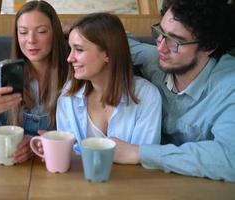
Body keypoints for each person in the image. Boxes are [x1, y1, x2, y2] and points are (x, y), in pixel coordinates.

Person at [116, 0, 235, 182]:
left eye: (175, 40)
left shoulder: (229, 86)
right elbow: (119, 41)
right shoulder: (154, 62)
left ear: (208, 47)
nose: (161, 47)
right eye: (160, 33)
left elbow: (229, 159)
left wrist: (138, 153)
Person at [0, 0, 69, 163]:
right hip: (6, 164)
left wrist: (37, 145)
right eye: (23, 32)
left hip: (52, 166)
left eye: (41, 31)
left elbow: (80, 137)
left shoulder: (72, 75)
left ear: (55, 34)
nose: (31, 40)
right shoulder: (0, 74)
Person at [56, 13, 161, 154]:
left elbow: (146, 158)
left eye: (79, 50)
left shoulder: (147, 96)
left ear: (108, 53)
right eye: (70, 49)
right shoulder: (68, 94)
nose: (69, 58)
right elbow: (69, 155)